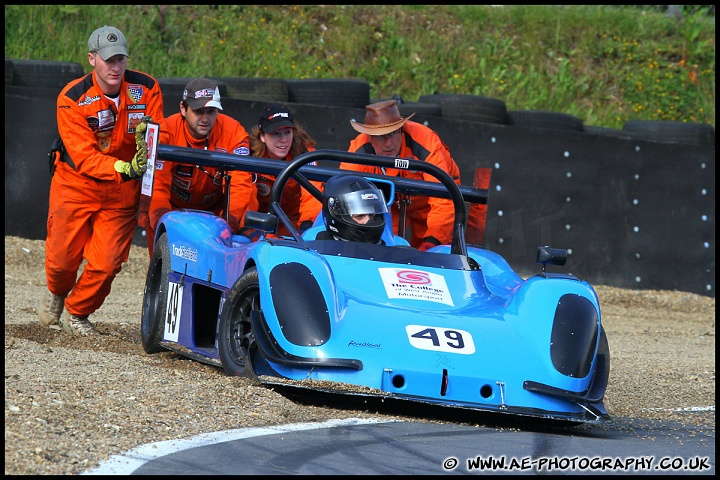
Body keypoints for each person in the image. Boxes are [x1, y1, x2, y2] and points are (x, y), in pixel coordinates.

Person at [38, 25, 164, 336]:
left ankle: (78, 312)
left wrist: (144, 162)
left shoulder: (147, 88)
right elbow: (84, 157)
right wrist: (125, 167)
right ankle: (57, 293)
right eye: (108, 60)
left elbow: (156, 141)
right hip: (75, 183)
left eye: (120, 59)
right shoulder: (71, 98)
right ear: (92, 59)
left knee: (107, 263)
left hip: (122, 191)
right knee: (61, 262)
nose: (115, 67)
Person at [145, 78, 258, 256]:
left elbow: (240, 182)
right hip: (173, 209)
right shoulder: (166, 130)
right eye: (198, 111)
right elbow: (157, 182)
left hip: (218, 212)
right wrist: (162, 220)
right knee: (154, 216)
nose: (205, 119)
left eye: (211, 111)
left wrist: (230, 223)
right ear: (183, 108)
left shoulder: (234, 131)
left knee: (251, 192)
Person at [341, 99, 461, 251]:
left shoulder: (426, 142)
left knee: (434, 248)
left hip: (430, 202)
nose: (388, 143)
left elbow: (443, 201)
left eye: (393, 134)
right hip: (389, 204)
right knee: (385, 245)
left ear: (402, 130)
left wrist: (432, 241)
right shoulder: (358, 148)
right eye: (380, 136)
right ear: (369, 136)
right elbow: (344, 192)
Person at [249, 104, 322, 236]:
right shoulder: (250, 155)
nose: (283, 140)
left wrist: (307, 229)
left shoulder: (304, 154)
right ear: (262, 137)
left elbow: (312, 196)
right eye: (276, 134)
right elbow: (244, 195)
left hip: (293, 223)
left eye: (287, 132)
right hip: (257, 223)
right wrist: (245, 228)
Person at [319, 174, 388, 244]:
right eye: (359, 216)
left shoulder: (388, 251)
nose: (369, 221)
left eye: (372, 215)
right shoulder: (314, 251)